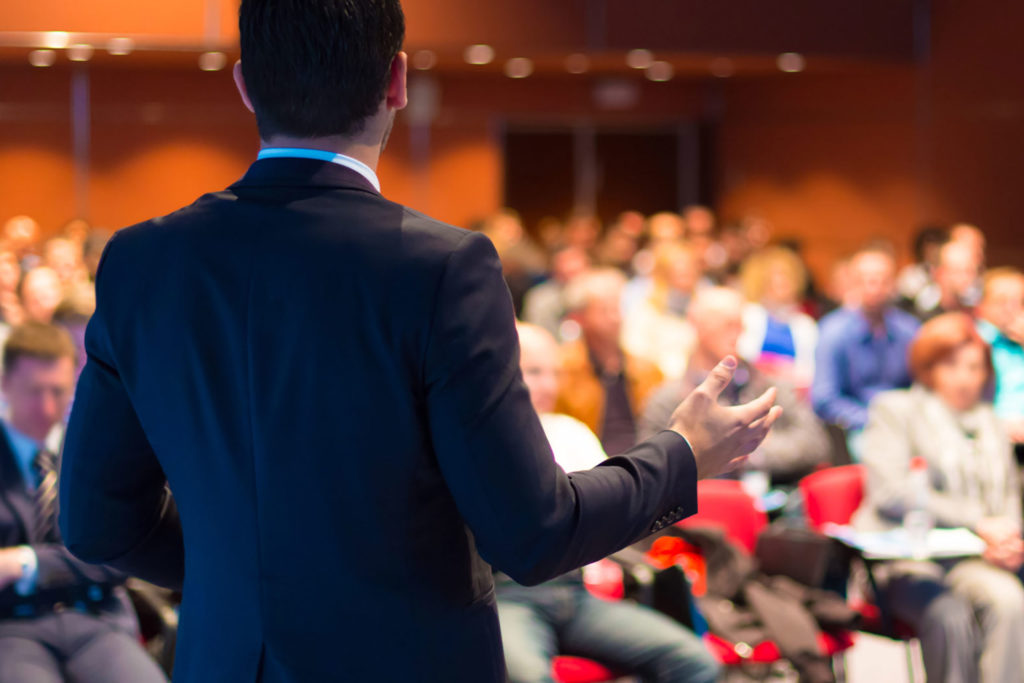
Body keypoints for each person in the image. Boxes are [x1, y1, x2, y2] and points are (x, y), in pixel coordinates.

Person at [57, 2, 781, 681]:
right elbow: (532, 532)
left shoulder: (142, 262)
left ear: (245, 86)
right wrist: (681, 453)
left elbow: (94, 523)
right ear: (397, 80)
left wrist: (245, 566)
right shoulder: (439, 268)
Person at [497, 323, 719, 683]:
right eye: (535, 372)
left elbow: (615, 509)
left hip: (574, 593)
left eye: (555, 373)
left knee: (696, 661)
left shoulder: (570, 431)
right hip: (510, 597)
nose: (550, 386)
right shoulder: (485, 445)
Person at [854, 313, 1024, 683]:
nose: (964, 378)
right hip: (906, 557)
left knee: (1009, 599)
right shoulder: (896, 410)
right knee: (949, 613)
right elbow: (891, 492)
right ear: (928, 367)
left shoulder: (991, 422)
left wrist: (1010, 539)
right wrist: (978, 522)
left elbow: (1009, 493)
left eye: (974, 367)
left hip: (973, 556)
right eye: (951, 365)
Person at [0, 323, 165, 683]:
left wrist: (24, 562)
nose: (45, 407)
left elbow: (121, 556)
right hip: (10, 628)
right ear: (4, 384)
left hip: (95, 616)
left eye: (57, 392)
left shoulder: (94, 449)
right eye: (33, 391)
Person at [641, 288, 829, 484]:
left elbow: (815, 445)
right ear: (696, 324)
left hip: (775, 502)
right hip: (703, 506)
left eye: (741, 325)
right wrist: (749, 443)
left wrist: (748, 450)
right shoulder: (668, 398)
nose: (738, 333)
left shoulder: (770, 386)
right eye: (728, 324)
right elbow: (653, 467)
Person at [812, 246, 919, 448]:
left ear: (894, 284)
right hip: (857, 428)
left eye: (883, 281)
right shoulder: (833, 331)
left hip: (905, 422)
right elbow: (824, 398)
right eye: (867, 280)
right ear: (853, 284)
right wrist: (871, 421)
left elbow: (923, 385)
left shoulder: (910, 330)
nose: (875, 288)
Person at [557, 268, 665, 455]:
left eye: (618, 308)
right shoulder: (562, 369)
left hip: (643, 463)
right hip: (590, 468)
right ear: (580, 318)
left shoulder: (648, 369)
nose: (616, 318)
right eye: (605, 310)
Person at [736, 246, 818, 391]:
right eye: (774, 279)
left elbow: (810, 372)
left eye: (786, 278)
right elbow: (742, 357)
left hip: (792, 393)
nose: (781, 283)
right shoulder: (748, 315)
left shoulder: (805, 324)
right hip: (751, 389)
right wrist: (775, 368)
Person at [621, 242, 700, 380]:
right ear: (663, 275)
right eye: (680, 273)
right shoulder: (645, 312)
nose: (687, 278)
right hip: (659, 384)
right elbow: (635, 354)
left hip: (697, 381)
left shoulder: (702, 307)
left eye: (690, 272)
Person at [976, 268, 1024, 445]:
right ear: (981, 305)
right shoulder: (973, 342)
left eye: (1020, 302)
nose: (1012, 309)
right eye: (1002, 301)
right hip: (988, 437)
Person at [521, 245, 590, 339]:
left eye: (573, 260)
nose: (569, 267)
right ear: (553, 268)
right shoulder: (539, 298)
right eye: (563, 262)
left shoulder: (602, 291)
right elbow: (536, 335)